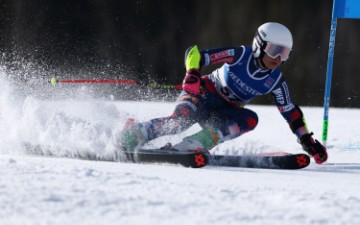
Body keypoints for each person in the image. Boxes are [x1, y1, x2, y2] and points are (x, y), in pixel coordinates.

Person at [119, 22, 328, 164]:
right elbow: (194, 54)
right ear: (260, 45)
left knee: (250, 118)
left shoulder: (276, 81)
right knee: (178, 122)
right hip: (202, 95)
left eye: (284, 53)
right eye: (274, 50)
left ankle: (197, 143)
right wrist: (192, 74)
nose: (278, 58)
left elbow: (290, 113)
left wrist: (307, 141)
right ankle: (135, 133)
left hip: (225, 112)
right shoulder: (239, 55)